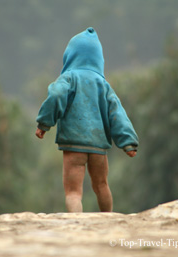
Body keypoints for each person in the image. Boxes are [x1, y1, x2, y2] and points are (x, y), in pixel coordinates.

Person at [35, 27, 139, 212]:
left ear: (70, 56)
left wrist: (45, 123)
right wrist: (128, 142)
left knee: (73, 193)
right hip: (98, 146)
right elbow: (117, 113)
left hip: (74, 144)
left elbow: (57, 94)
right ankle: (108, 219)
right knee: (101, 186)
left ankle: (76, 226)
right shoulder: (103, 85)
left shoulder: (69, 78)